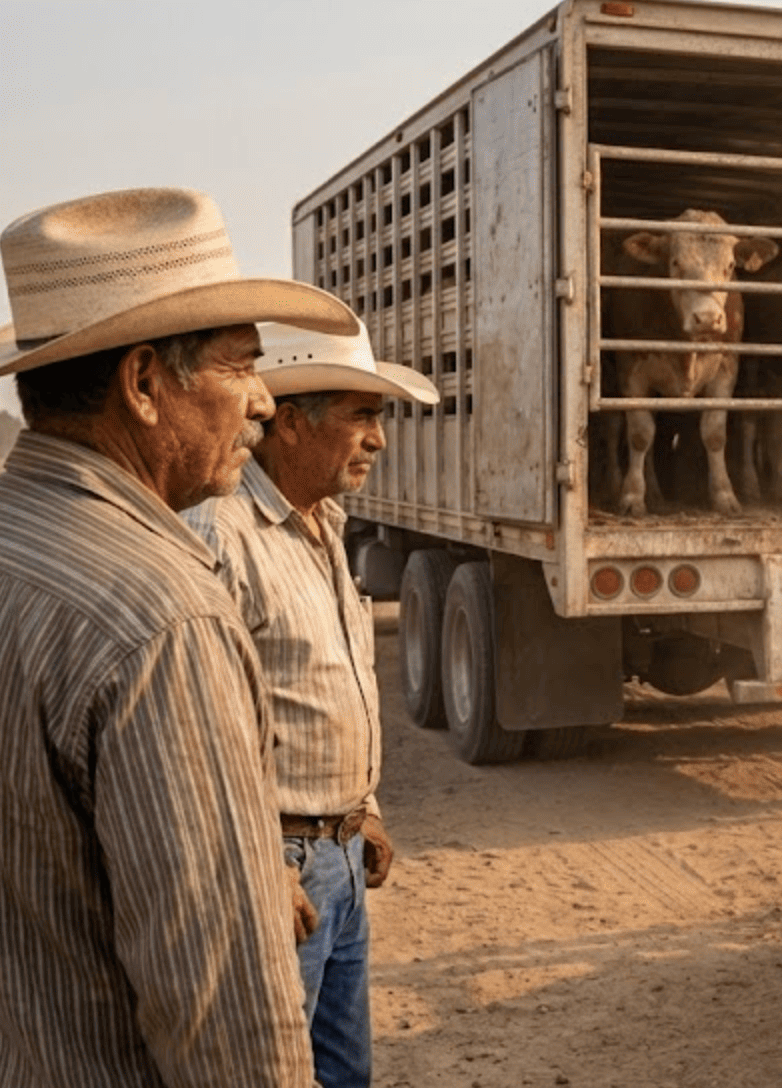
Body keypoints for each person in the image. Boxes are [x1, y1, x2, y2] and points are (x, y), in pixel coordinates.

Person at [0, 187, 358, 1084]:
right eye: (241, 366)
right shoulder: (163, 616)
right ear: (146, 383)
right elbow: (223, 1015)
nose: (265, 403)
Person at [184, 320, 437, 1087]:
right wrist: (265, 863)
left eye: (379, 419)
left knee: (341, 1074)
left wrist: (366, 807)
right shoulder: (223, 534)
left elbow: (336, 680)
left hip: (338, 860)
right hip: (280, 869)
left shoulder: (324, 524)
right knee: (276, 1072)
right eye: (361, 416)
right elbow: (205, 726)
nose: (378, 440)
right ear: (290, 422)